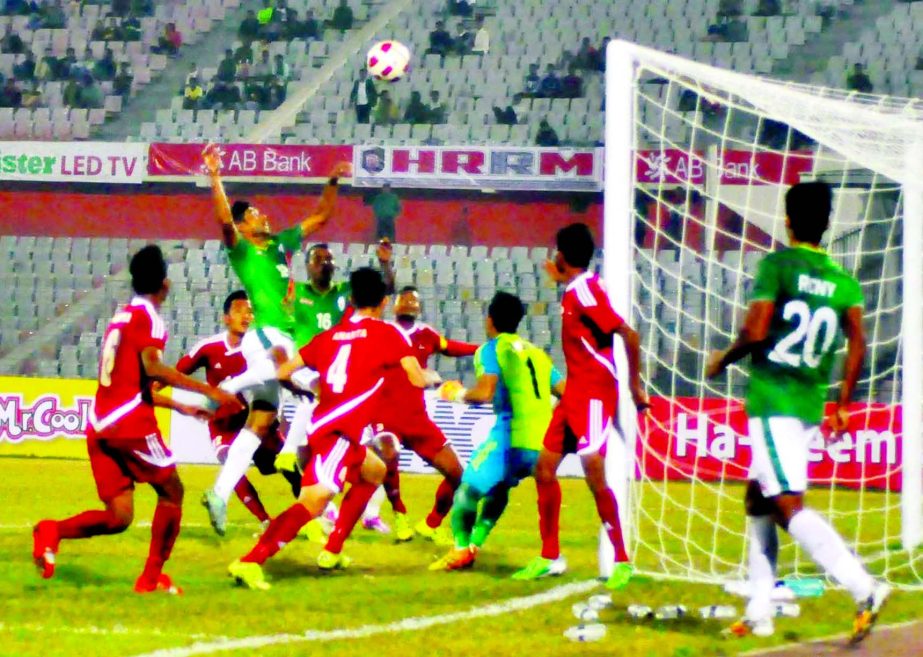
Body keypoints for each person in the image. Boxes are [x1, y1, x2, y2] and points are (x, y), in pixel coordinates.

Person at [706, 182, 890, 642]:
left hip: (774, 398)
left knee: (787, 506)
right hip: (809, 403)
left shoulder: (778, 265)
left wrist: (722, 358)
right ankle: (760, 610)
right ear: (827, 224)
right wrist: (843, 404)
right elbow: (857, 343)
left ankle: (864, 586)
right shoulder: (844, 282)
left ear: (787, 220)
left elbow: (755, 329)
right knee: (758, 500)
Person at [31, 245, 242, 592]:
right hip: (130, 425)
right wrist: (212, 391)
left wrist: (179, 407)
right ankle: (151, 577)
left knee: (119, 516)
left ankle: (52, 531)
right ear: (165, 283)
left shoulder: (123, 314)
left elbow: (130, 380)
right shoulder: (149, 317)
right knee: (173, 490)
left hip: (101, 423)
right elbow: (152, 367)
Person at [227, 268, 431, 588]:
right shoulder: (389, 334)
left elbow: (284, 372)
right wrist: (441, 382)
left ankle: (333, 549)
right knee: (313, 502)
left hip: (330, 429)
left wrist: (302, 391)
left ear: (351, 299)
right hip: (337, 434)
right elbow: (417, 378)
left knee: (374, 471)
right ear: (384, 302)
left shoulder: (330, 336)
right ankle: (251, 561)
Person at [199, 146, 350, 537]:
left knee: (262, 419)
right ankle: (223, 388)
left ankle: (219, 493)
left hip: (276, 338)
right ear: (244, 226)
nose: (263, 216)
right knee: (308, 383)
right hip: (267, 334)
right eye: (254, 214)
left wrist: (332, 181)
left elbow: (321, 217)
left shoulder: (282, 244)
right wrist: (216, 178)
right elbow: (223, 220)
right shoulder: (244, 251)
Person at [513, 223, 648, 590]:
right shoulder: (577, 286)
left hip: (593, 392)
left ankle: (621, 559)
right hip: (574, 392)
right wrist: (558, 275)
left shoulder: (586, 291)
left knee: (593, 471)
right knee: (544, 468)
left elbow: (628, 334)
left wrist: (634, 387)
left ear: (562, 254)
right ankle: (550, 556)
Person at [431, 292, 564, 570]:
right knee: (500, 486)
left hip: (510, 437)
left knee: (467, 491)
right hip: (543, 446)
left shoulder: (490, 349)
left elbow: (484, 393)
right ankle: (477, 541)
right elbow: (565, 392)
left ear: (489, 319)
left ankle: (460, 549)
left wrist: (455, 393)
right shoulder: (537, 354)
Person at [274, 240, 395, 542]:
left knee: (366, 454)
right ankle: (320, 506)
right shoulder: (294, 294)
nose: (325, 263)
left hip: (339, 378)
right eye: (319, 259)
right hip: (307, 370)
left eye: (329, 259)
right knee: (313, 452)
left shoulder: (345, 292)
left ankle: (348, 510)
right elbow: (278, 333)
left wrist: (383, 265)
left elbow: (382, 293)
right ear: (308, 265)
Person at [353, 285, 477, 546]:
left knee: (458, 473)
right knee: (388, 455)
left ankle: (431, 523)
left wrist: (480, 349)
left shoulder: (426, 334)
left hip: (417, 418)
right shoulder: (380, 330)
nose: (409, 303)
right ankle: (400, 514)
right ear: (394, 305)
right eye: (404, 299)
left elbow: (449, 346)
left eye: (414, 300)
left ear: (419, 308)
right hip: (385, 413)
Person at [170, 291, 288, 529]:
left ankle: (316, 517)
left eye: (250, 311)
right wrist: (151, 387)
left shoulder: (259, 349)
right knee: (229, 461)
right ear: (226, 318)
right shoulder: (209, 347)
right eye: (238, 310)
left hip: (255, 420)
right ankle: (265, 521)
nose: (246, 315)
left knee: (284, 466)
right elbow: (178, 372)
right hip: (222, 425)